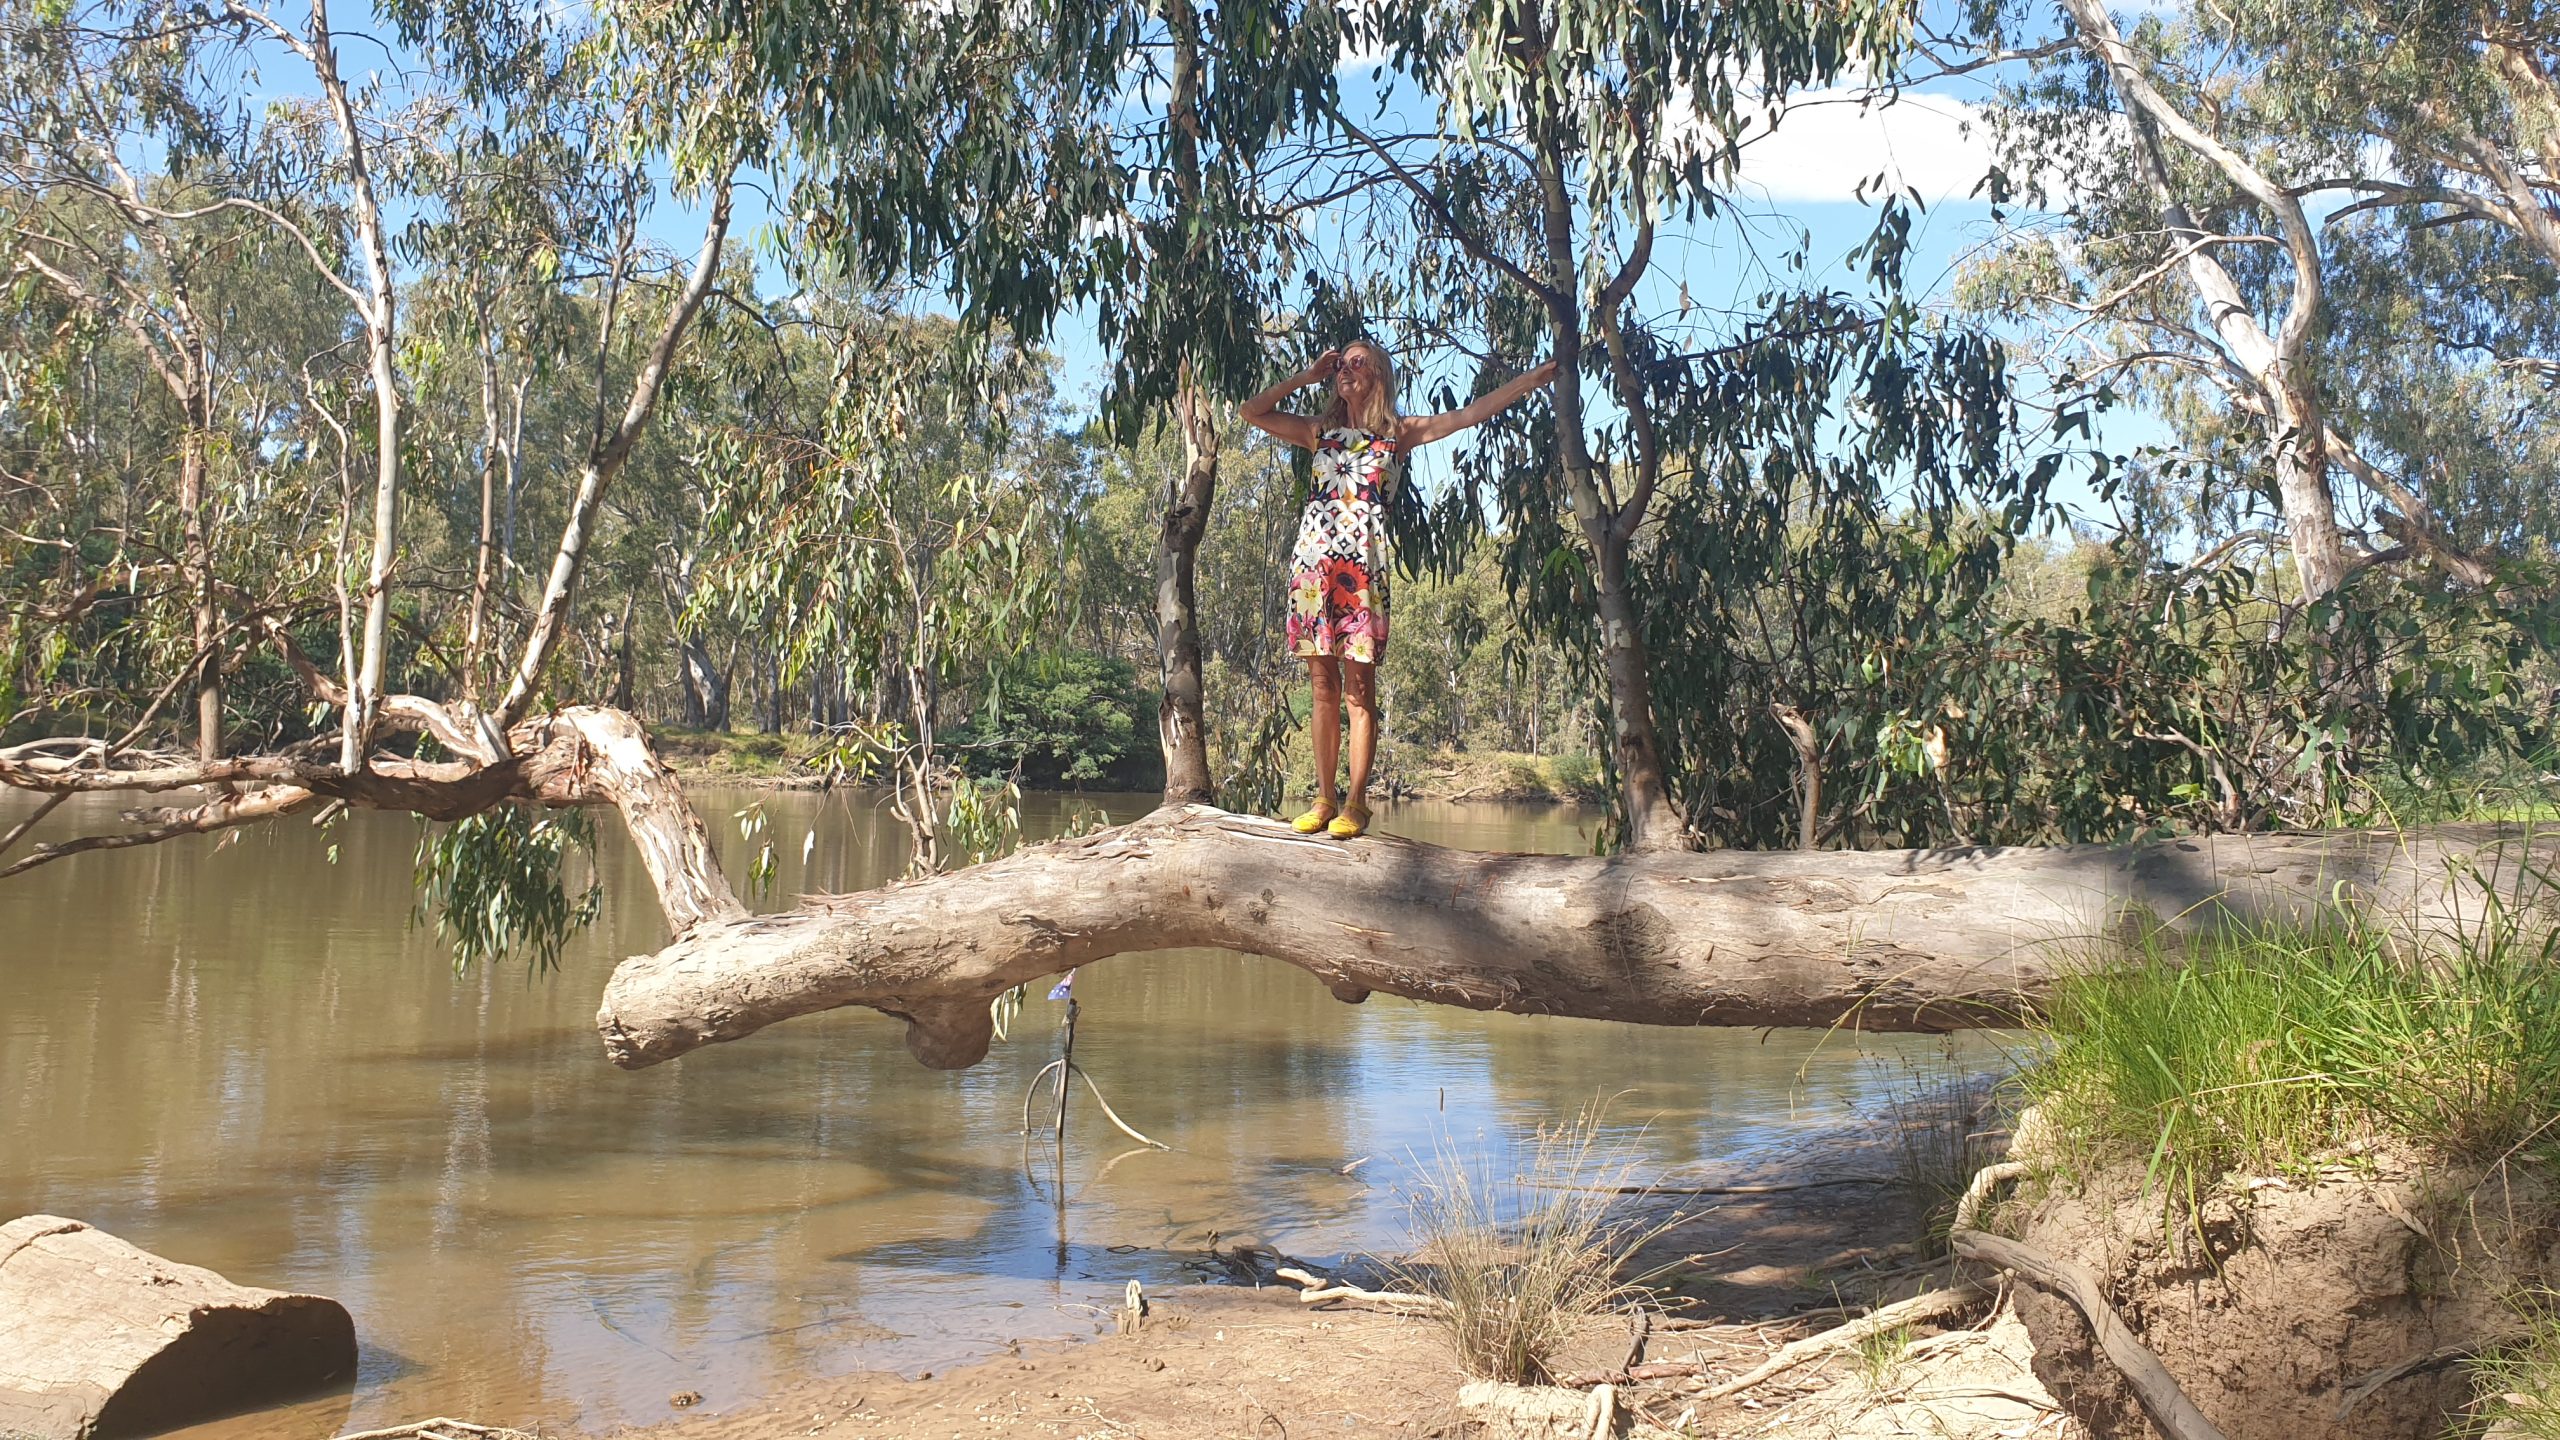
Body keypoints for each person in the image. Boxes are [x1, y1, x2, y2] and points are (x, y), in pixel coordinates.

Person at [1240, 338, 1559, 838]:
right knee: (1322, 686)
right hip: (1313, 571)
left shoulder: (1398, 434)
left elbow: (1469, 414)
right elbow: (1251, 411)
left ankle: (1355, 802)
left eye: (1357, 362)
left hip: (1363, 572)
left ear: (1379, 376)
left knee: (1359, 690)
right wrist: (1305, 376)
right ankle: (1323, 799)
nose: (1345, 369)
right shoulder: (1318, 432)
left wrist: (1528, 381)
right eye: (1340, 363)